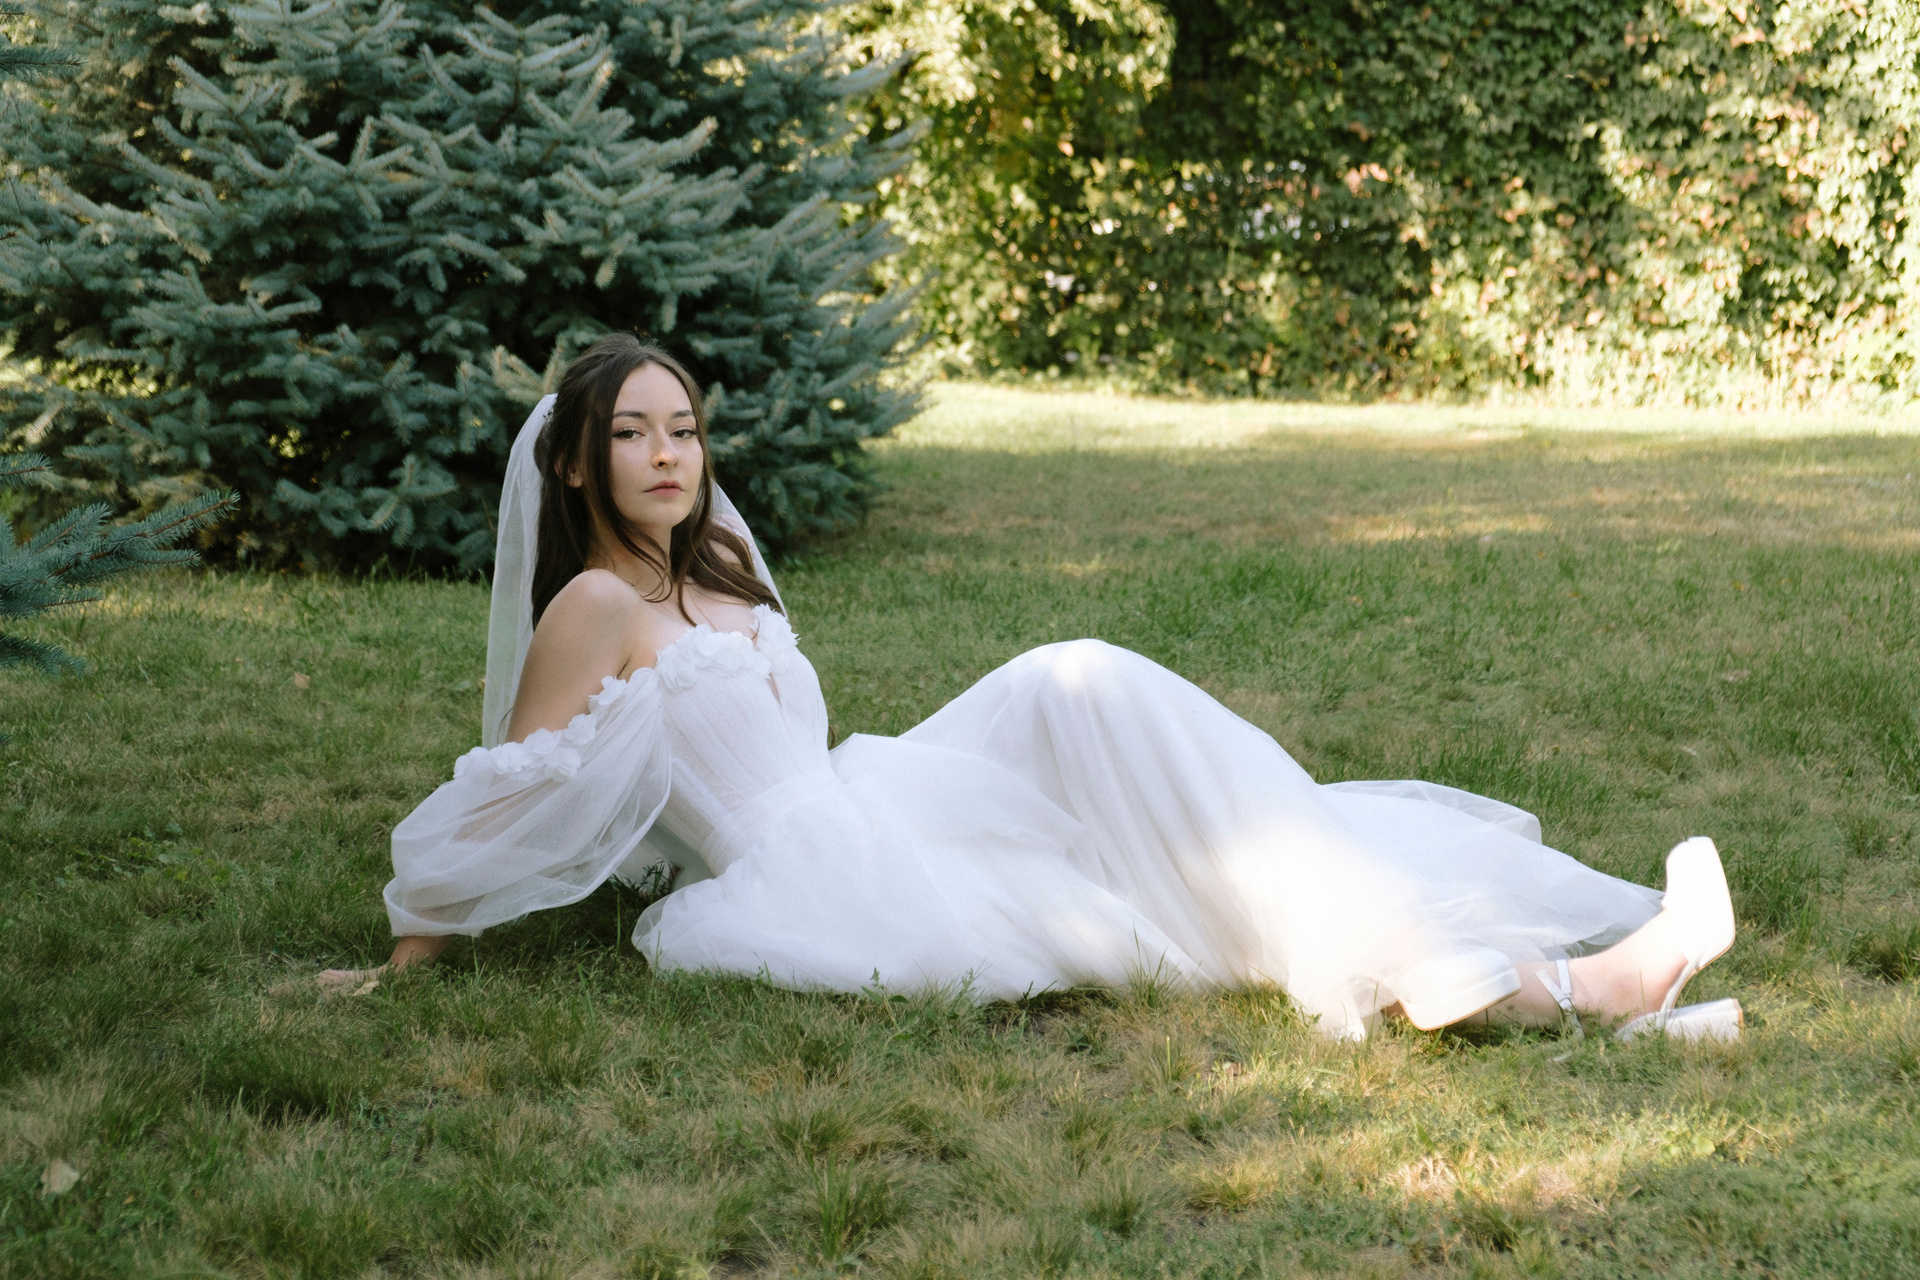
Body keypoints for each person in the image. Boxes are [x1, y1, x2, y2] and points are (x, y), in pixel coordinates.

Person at [320, 335, 1743, 1043]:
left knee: (1087, 687)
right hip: (816, 868)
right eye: (632, 435)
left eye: (683, 429)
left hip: (867, 788)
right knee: (1118, 809)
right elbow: (504, 790)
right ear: (576, 464)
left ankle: (1473, 964)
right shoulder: (592, 606)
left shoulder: (724, 564)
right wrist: (403, 959)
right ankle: (1549, 987)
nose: (668, 455)